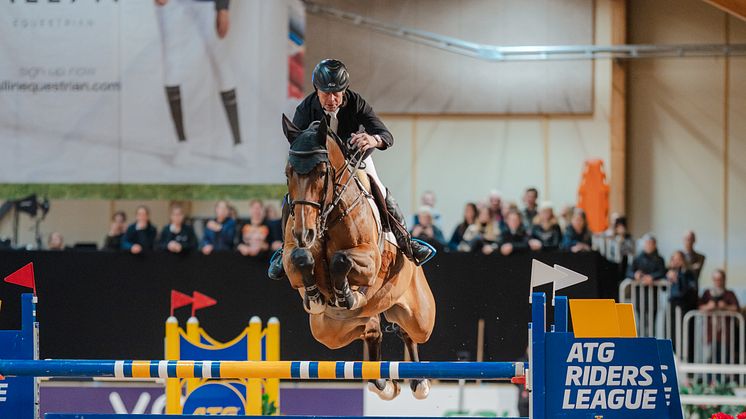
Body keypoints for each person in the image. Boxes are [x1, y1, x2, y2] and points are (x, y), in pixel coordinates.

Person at [268, 59, 433, 280]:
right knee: (292, 198)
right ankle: (284, 248)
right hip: (321, 168)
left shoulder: (356, 103)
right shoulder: (306, 108)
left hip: (354, 163)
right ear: (317, 90)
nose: (332, 99)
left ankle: (405, 241)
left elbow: (386, 136)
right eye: (326, 93)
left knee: (379, 189)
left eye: (337, 93)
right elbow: (296, 143)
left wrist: (372, 139)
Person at [155, 0, 241, 145]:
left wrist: (223, 8)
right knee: (171, 66)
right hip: (173, 4)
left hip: (208, 4)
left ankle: (238, 144)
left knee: (221, 64)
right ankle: (182, 143)